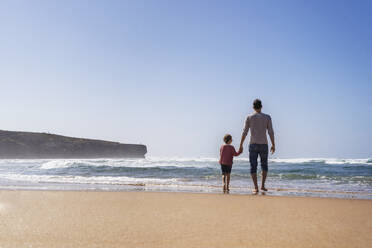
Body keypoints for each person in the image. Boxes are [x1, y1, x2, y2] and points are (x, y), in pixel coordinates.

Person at [239, 99, 275, 194]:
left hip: (253, 144)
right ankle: (262, 185)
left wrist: (241, 144)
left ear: (253, 107)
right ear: (261, 106)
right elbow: (271, 132)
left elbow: (245, 132)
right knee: (264, 165)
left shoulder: (249, 117)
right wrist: (273, 144)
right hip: (264, 144)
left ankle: (256, 187)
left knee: (253, 166)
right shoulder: (267, 117)